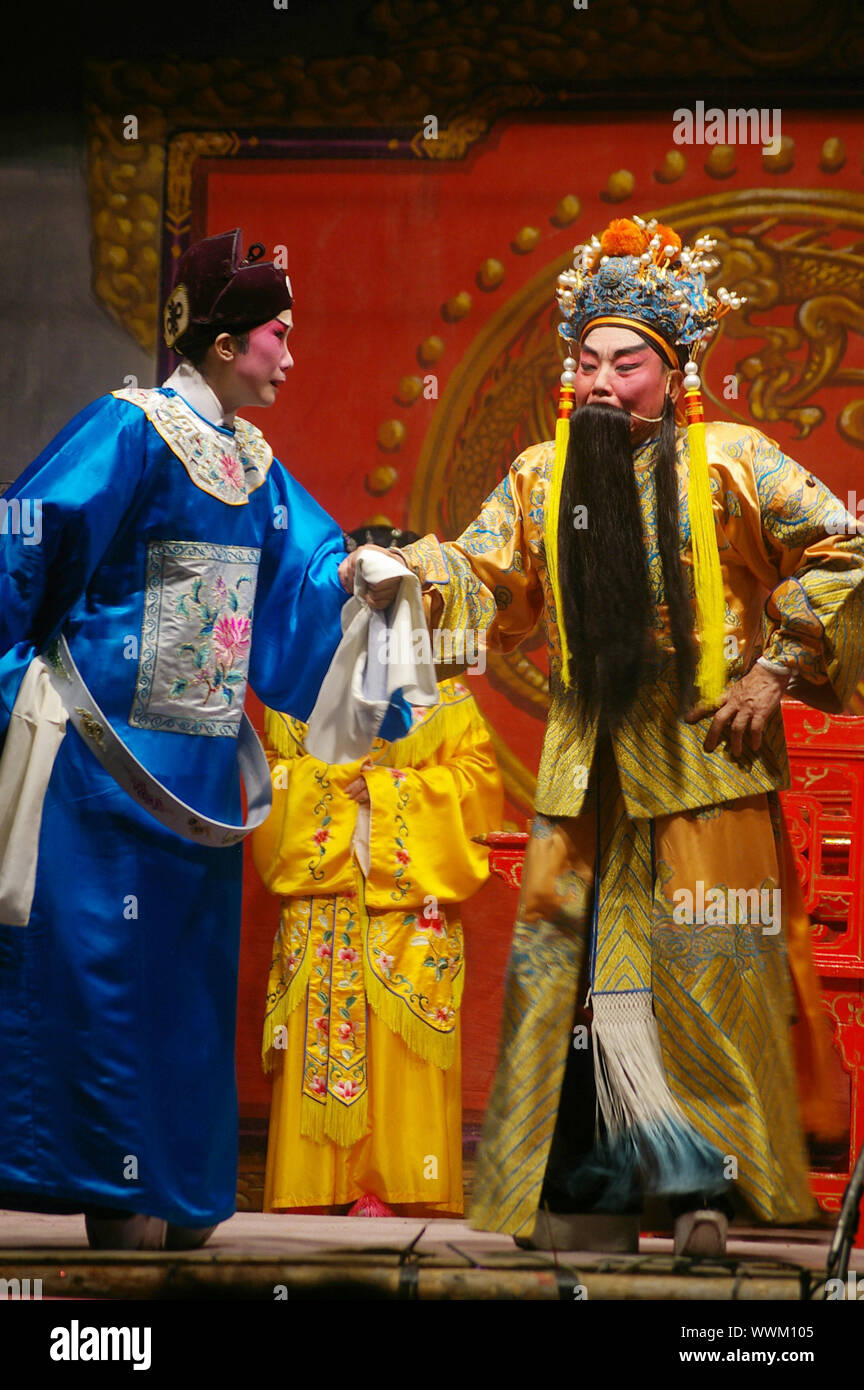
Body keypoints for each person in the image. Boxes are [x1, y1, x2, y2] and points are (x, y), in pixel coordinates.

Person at [345, 216, 864, 1254]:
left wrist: (776, 669)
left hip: (703, 771)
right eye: (587, 361)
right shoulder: (543, 477)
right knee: (570, 979)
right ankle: (589, 1187)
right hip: (584, 779)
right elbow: (480, 573)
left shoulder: (735, 465)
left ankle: (698, 1190)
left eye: (628, 364)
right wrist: (406, 573)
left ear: (673, 374)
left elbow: (846, 552)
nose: (601, 383)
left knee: (703, 976)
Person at [0, 229, 367, 1250]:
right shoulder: (129, 428)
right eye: (276, 337)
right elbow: (23, 534)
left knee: (185, 984)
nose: (290, 359)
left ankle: (186, 1188)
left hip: (199, 763)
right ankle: (116, 1189)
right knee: (105, 972)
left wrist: (355, 580)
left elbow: (306, 565)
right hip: (103, 758)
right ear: (219, 343)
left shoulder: (254, 463)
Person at [252, 526, 503, 1215]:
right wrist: (332, 784)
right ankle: (314, 1193)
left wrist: (391, 795)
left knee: (404, 1052)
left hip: (408, 915)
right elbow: (269, 782)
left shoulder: (443, 693)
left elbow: (479, 785)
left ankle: (401, 1193)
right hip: (322, 906)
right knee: (316, 1049)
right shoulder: (293, 691)